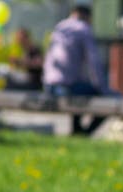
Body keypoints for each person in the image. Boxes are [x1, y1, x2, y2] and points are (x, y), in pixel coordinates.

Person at [42, 5, 108, 135]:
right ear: (87, 17)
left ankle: (77, 130)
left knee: (80, 90)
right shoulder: (83, 29)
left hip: (49, 85)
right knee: (103, 97)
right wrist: (102, 87)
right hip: (66, 87)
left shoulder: (60, 27)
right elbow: (94, 62)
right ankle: (84, 133)